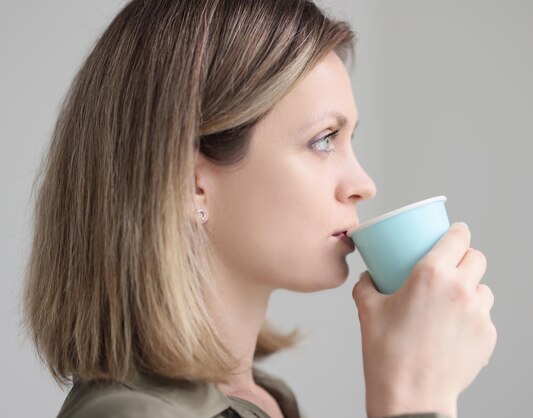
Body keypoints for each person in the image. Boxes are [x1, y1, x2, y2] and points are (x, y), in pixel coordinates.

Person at [23, 1, 497, 417]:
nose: (363, 185)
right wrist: (412, 397)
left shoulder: (265, 401)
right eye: (324, 140)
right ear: (191, 184)